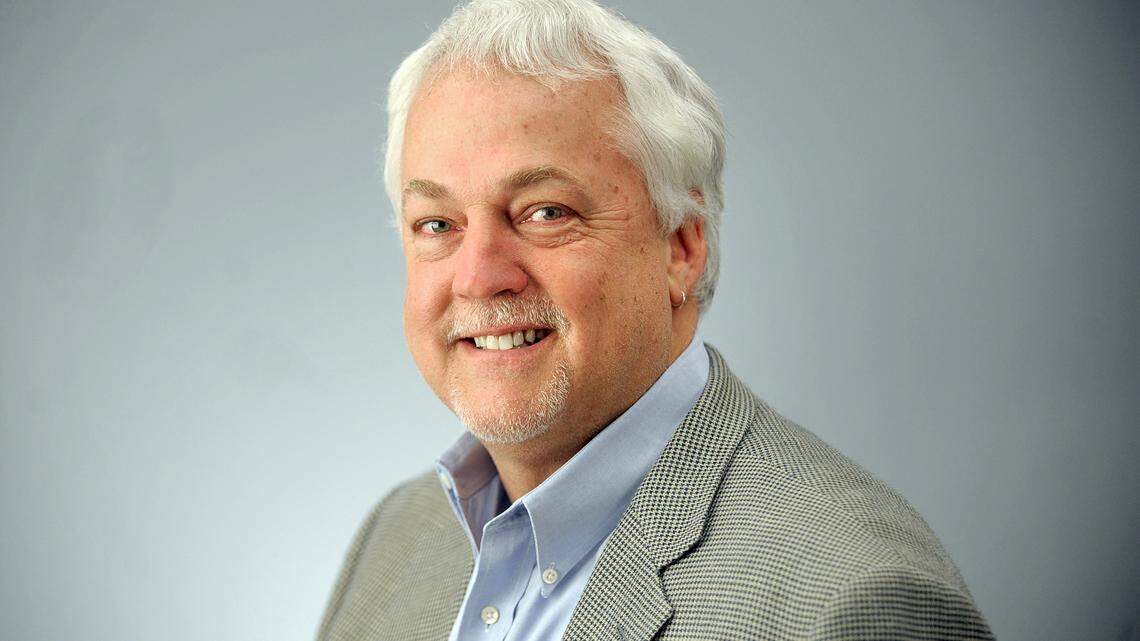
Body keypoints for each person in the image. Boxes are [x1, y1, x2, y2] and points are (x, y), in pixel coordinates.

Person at [318, 0, 993, 639]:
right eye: (438, 224)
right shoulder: (395, 540)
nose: (477, 276)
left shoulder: (854, 598)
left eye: (546, 212)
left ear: (680, 248)